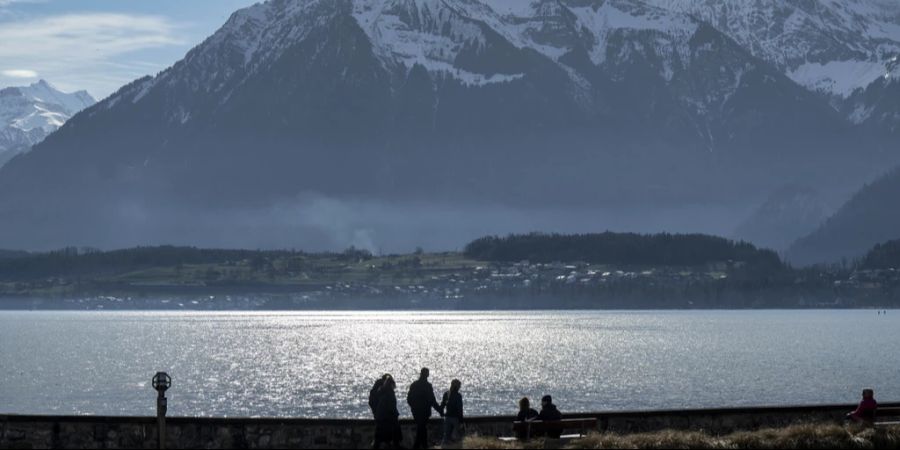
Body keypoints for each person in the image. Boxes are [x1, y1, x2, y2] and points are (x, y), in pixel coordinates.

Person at [407, 367, 443, 449]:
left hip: (417, 412)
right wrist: (440, 410)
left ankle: (421, 446)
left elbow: (409, 399)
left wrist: (414, 408)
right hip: (424, 412)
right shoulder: (427, 386)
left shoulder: (414, 385)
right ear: (427, 374)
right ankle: (421, 446)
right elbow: (432, 401)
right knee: (422, 429)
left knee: (421, 429)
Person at [373, 375, 402, 449]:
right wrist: (395, 415)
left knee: (379, 438)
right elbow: (391, 407)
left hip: (381, 417)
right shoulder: (389, 394)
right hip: (386, 418)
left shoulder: (382, 392)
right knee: (390, 436)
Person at [440, 379, 464, 446]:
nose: (460, 387)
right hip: (455, 418)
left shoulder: (446, 394)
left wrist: (441, 413)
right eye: (459, 386)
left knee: (446, 437)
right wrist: (461, 421)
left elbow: (442, 405)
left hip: (447, 417)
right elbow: (460, 409)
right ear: (457, 386)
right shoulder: (458, 396)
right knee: (457, 438)